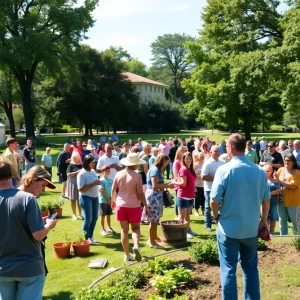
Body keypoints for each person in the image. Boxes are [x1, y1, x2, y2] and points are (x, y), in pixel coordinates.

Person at [210, 134, 270, 300]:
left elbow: (214, 201)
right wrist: (263, 220)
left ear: (230, 148)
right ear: (244, 147)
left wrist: (215, 217)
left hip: (228, 229)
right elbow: (266, 200)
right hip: (251, 228)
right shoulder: (259, 170)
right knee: (250, 269)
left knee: (228, 269)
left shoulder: (224, 170)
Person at [0, 158, 57, 300]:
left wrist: (38, 223)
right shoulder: (28, 199)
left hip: (3, 269)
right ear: (32, 180)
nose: (43, 190)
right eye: (42, 185)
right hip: (29, 267)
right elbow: (38, 235)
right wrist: (48, 225)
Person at [111, 153, 150, 262]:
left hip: (120, 205)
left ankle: (127, 254)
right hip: (134, 206)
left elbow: (114, 190)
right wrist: (146, 206)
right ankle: (136, 246)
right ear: (135, 164)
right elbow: (140, 193)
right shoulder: (137, 176)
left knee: (124, 230)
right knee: (136, 228)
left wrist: (112, 200)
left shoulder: (118, 174)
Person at [145, 155, 174, 249]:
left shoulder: (157, 170)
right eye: (166, 162)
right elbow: (155, 185)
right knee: (153, 220)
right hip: (153, 197)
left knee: (156, 219)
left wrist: (167, 184)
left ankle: (154, 236)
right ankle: (151, 241)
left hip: (157, 196)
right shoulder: (155, 170)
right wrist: (168, 186)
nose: (166, 164)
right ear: (161, 161)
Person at [274, 153, 300, 235]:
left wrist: (280, 181)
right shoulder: (281, 170)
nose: (286, 162)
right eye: (285, 160)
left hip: (293, 200)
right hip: (280, 199)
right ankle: (283, 237)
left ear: (293, 162)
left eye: (288, 160)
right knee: (282, 220)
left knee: (295, 221)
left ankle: (298, 238)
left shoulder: (297, 172)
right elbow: (275, 180)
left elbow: (293, 185)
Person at [77, 155, 101, 244]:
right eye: (92, 162)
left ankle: (90, 237)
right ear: (87, 163)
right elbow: (81, 189)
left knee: (94, 218)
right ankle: (86, 238)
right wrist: (94, 184)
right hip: (85, 197)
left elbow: (95, 182)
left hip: (95, 197)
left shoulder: (93, 171)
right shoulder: (82, 173)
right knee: (88, 219)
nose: (94, 163)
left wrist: (98, 182)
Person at [172, 151, 197, 239]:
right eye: (187, 158)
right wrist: (174, 182)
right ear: (184, 159)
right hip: (183, 196)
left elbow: (192, 181)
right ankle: (181, 232)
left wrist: (194, 189)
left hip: (190, 196)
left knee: (187, 215)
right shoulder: (183, 169)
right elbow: (183, 183)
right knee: (181, 216)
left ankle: (188, 229)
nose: (189, 160)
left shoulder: (191, 169)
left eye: (190, 158)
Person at [201, 145, 224, 232]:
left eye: (218, 151)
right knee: (208, 207)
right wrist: (216, 179)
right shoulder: (208, 163)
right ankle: (208, 225)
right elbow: (203, 177)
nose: (217, 153)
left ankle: (219, 223)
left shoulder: (222, 163)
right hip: (209, 188)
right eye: (215, 151)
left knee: (220, 206)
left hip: (220, 188)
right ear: (211, 152)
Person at [263, 164, 281, 237]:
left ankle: (272, 232)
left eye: (268, 171)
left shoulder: (275, 181)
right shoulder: (261, 180)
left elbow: (279, 190)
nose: (266, 172)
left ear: (271, 171)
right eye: (264, 171)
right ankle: (265, 231)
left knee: (273, 217)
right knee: (265, 216)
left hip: (273, 201)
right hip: (263, 202)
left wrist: (269, 194)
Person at [66, 151, 83, 220]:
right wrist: (76, 172)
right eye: (75, 157)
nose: (77, 158)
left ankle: (80, 214)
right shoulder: (70, 165)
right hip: (72, 183)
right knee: (73, 200)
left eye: (77, 157)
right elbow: (68, 174)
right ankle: (74, 214)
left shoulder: (81, 164)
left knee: (80, 199)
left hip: (80, 184)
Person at [99, 167, 115, 236]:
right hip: (103, 200)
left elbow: (113, 190)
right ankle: (102, 229)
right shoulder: (101, 180)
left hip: (110, 200)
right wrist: (108, 199)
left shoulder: (111, 180)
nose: (108, 172)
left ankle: (109, 227)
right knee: (102, 215)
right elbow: (102, 190)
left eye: (109, 171)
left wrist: (112, 199)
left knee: (108, 214)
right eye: (106, 171)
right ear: (103, 172)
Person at [194, 152, 205, 216]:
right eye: (201, 156)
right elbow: (193, 174)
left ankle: (203, 209)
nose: (202, 158)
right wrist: (200, 176)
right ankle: (196, 209)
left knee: (203, 197)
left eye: (203, 156)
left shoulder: (205, 164)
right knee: (197, 198)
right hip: (197, 183)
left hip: (203, 184)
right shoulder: (195, 165)